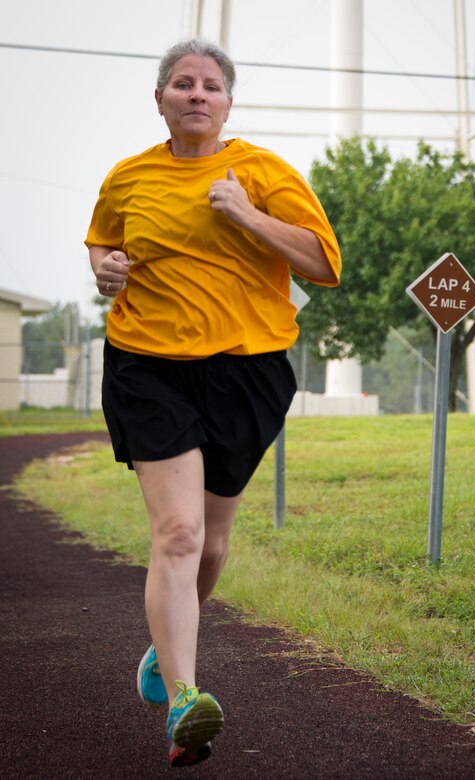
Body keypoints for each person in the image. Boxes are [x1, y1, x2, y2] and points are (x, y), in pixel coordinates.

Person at [85, 38, 341, 768]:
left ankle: (161, 652)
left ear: (227, 102)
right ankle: (184, 699)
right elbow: (103, 248)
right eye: (182, 84)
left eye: (210, 86)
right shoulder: (128, 177)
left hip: (245, 371)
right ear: (160, 98)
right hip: (148, 366)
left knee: (214, 543)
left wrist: (244, 216)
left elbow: (324, 263)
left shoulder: (261, 172)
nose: (196, 94)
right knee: (178, 534)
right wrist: (104, 272)